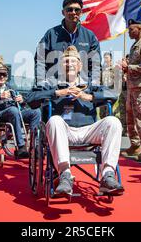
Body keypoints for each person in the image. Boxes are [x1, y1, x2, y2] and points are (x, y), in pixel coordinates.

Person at [27, 46, 124, 196]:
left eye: (73, 61)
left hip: (88, 130)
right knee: (54, 121)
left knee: (113, 122)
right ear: (60, 65)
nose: (70, 64)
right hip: (64, 131)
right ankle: (65, 174)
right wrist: (58, 93)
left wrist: (89, 97)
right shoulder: (52, 83)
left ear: (79, 65)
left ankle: (108, 175)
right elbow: (30, 99)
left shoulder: (90, 84)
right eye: (66, 61)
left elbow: (113, 95)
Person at [0, 64, 42, 158]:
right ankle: (21, 147)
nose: (2, 77)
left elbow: (20, 104)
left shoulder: (9, 86)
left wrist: (21, 100)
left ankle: (35, 146)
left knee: (36, 112)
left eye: (4, 74)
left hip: (13, 111)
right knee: (13, 110)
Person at [35, 0, 101, 87]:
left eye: (77, 10)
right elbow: (40, 60)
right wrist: (42, 84)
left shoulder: (90, 37)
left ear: (81, 13)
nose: (73, 12)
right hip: (55, 91)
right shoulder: (51, 34)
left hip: (81, 91)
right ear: (63, 12)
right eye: (69, 9)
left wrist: (89, 86)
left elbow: (95, 66)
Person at [121, 20, 141, 162]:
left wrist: (128, 67)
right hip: (132, 87)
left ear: (140, 29)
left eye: (131, 29)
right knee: (130, 119)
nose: (129, 32)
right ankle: (135, 145)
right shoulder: (135, 45)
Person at [99, 52, 115, 118]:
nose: (105, 59)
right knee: (102, 113)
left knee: (109, 112)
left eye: (107, 57)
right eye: (104, 58)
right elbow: (100, 80)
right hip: (103, 92)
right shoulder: (102, 68)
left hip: (111, 92)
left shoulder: (114, 68)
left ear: (111, 59)